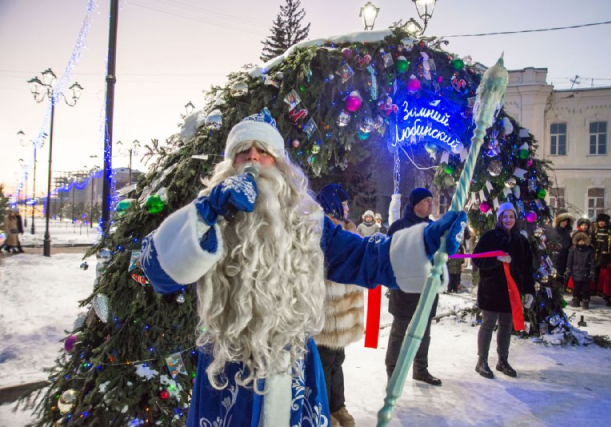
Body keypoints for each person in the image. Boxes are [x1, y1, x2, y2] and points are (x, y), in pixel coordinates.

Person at [140, 110, 467, 426]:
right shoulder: (209, 216)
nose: (253, 158)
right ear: (230, 164)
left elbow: (364, 258)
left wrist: (425, 244)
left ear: (280, 165)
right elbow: (159, 272)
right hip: (226, 373)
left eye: (264, 151)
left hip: (293, 370)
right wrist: (207, 211)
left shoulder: (308, 224)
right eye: (243, 152)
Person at [314, 183, 362, 427]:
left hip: (344, 309)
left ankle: (337, 406)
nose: (347, 208)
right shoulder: (320, 228)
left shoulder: (348, 229)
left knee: (337, 360)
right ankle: (322, 409)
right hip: (325, 307)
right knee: (323, 361)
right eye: (343, 204)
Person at [385, 187, 443, 386]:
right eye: (427, 200)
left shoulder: (433, 227)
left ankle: (420, 370)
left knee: (423, 333)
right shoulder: (399, 227)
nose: (431, 204)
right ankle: (392, 371)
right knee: (399, 333)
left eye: (431, 200)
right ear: (415, 203)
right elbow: (388, 255)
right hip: (404, 289)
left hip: (427, 289)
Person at [472, 202, 535, 379]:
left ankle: (503, 360)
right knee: (488, 324)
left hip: (512, 291)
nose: (508, 220)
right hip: (491, 290)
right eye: (505, 216)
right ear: (499, 218)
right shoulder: (490, 237)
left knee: (506, 326)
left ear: (516, 218)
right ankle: (482, 361)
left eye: (511, 216)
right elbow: (477, 259)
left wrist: (529, 291)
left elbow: (527, 268)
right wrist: (496, 259)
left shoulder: (521, 241)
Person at [566, 231, 596, 309]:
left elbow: (592, 262)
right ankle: (576, 300)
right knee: (576, 288)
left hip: (586, 272)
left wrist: (592, 272)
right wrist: (569, 270)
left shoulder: (589, 251)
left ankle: (585, 301)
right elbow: (569, 262)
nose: (581, 242)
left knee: (586, 289)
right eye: (579, 241)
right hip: (576, 272)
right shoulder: (573, 251)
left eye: (583, 241)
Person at [547, 210, 574, 287]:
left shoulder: (567, 231)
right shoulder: (554, 231)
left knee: (563, 275)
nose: (565, 223)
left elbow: (569, 243)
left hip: (565, 256)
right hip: (556, 256)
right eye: (563, 221)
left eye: (566, 221)